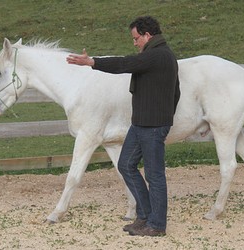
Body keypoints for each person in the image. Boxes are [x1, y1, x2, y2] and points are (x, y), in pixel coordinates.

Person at [67, 16, 180, 237]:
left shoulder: (158, 55)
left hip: (153, 126)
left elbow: (125, 64)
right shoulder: (155, 55)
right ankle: (145, 216)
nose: (135, 43)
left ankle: (157, 225)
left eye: (136, 38)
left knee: (155, 175)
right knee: (126, 165)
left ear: (148, 36)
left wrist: (92, 62)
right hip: (140, 124)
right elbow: (176, 92)